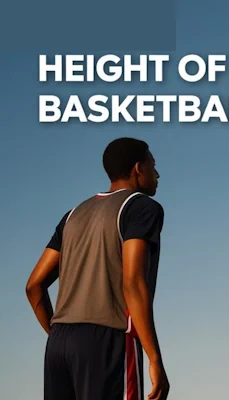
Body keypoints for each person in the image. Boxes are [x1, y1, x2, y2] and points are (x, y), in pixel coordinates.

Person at [25, 137, 170, 400]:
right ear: (138, 169)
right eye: (153, 165)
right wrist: (154, 358)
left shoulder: (73, 214)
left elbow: (34, 286)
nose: (157, 174)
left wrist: (62, 337)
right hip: (108, 340)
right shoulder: (141, 208)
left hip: (58, 344)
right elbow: (133, 282)